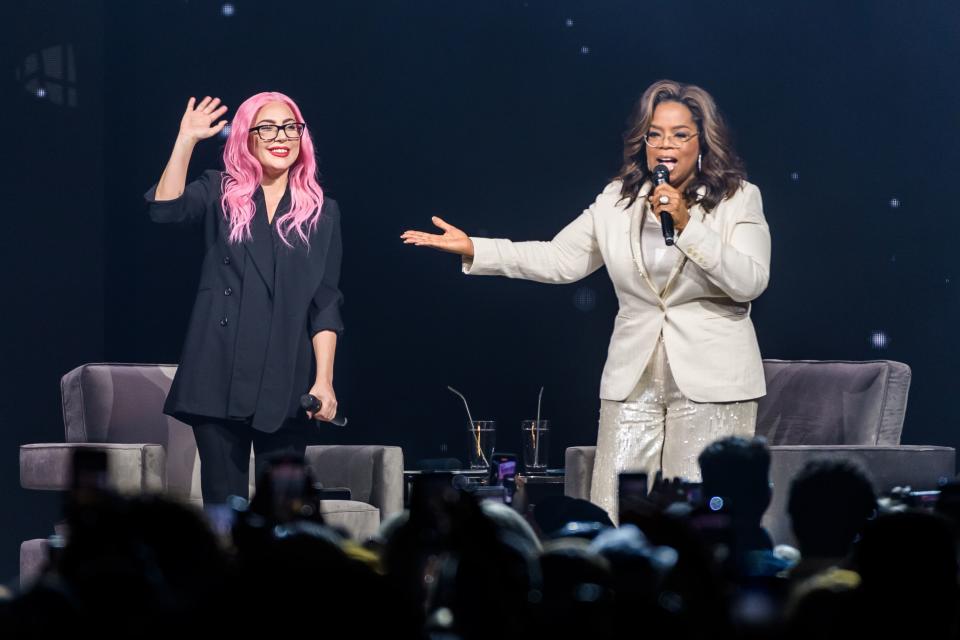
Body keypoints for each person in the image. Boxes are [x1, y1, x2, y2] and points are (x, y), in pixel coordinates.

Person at [402, 80, 770, 518]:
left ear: (702, 141)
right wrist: (475, 249)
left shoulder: (737, 198)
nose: (665, 144)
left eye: (679, 134)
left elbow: (749, 281)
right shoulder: (618, 200)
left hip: (714, 380)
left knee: (698, 516)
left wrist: (688, 224)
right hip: (633, 380)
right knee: (615, 508)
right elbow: (560, 259)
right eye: (655, 134)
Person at [146, 92, 344, 504]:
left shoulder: (321, 212)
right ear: (247, 137)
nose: (281, 136)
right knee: (225, 510)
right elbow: (164, 211)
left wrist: (324, 381)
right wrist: (185, 139)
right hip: (217, 372)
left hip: (287, 378)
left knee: (284, 515)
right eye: (267, 127)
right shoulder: (221, 190)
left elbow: (325, 303)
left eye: (290, 127)